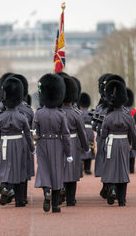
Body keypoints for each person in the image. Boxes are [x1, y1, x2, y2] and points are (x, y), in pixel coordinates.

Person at [33, 73, 73, 213]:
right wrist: (68, 153)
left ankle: (46, 192)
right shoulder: (61, 114)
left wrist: (34, 145)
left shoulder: (38, 114)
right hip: (57, 144)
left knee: (44, 170)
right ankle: (55, 206)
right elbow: (66, 135)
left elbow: (34, 132)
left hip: (42, 143)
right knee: (57, 173)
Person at [0, 77, 35, 207]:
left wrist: (0, 142)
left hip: (5, 143)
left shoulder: (0, 114)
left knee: (6, 168)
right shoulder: (24, 113)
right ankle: (20, 199)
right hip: (20, 143)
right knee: (20, 169)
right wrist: (31, 147)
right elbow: (29, 132)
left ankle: (6, 188)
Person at [101, 79, 136, 206]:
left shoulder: (107, 117)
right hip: (123, 144)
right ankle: (121, 200)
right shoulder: (128, 117)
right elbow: (134, 134)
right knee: (123, 170)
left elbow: (103, 135)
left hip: (111, 144)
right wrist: (134, 146)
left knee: (110, 168)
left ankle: (111, 189)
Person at [60, 76, 89, 206]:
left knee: (60, 169)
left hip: (59, 143)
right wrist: (86, 147)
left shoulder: (57, 112)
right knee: (72, 172)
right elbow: (82, 132)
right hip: (73, 143)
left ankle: (60, 192)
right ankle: (71, 199)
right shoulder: (76, 114)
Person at [125, 88, 136, 173]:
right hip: (133, 132)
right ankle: (132, 168)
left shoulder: (122, 110)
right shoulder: (134, 111)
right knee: (133, 148)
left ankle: (126, 167)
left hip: (124, 132)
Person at [78, 92, 95, 175]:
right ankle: (87, 168)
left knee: (81, 148)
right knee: (90, 147)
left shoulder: (78, 112)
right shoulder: (91, 112)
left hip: (81, 131)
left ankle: (80, 168)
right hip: (90, 131)